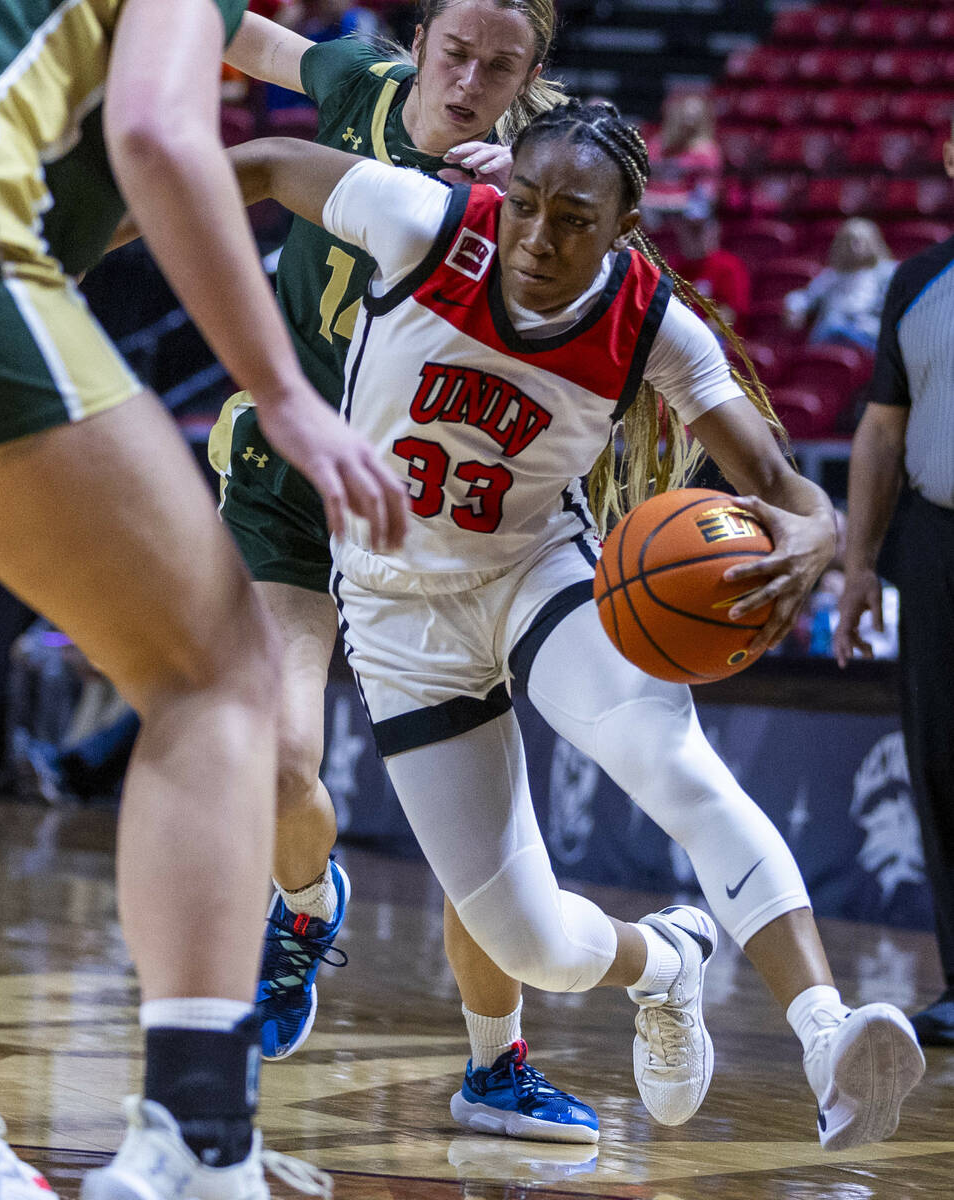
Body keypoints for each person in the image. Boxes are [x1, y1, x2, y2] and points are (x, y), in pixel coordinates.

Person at [238, 98, 926, 1149]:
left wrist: (816, 534)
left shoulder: (651, 322)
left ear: (620, 227)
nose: (537, 237)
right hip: (390, 615)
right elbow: (273, 160)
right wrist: (74, 231)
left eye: (571, 218)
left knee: (673, 765)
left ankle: (826, 1033)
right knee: (529, 946)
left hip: (533, 576)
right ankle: (665, 962)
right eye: (523, 205)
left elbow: (787, 488)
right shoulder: (422, 223)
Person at [0, 0, 407, 1196]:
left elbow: (269, 70)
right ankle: (201, 1139)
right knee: (218, 671)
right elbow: (157, 128)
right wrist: (282, 391)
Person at [212, 0, 607, 1144]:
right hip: (294, 476)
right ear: (419, 41)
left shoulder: (553, 175)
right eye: (453, 52)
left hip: (436, 509)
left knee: (478, 834)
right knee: (280, 755)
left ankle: (496, 1065)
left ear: (535, 71)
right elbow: (234, 37)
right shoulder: (357, 84)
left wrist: (523, 221)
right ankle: (300, 911)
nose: (469, 79)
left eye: (501, 64)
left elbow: (611, 333)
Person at [835, 119, 954, 1050]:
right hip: (937, 542)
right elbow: (881, 430)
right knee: (944, 765)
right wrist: (862, 562)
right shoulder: (917, 282)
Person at [783, 218, 897, 354]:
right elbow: (805, 296)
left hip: (868, 333)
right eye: (847, 241)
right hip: (832, 332)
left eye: (858, 241)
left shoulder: (886, 272)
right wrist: (794, 307)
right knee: (832, 324)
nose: (852, 247)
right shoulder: (832, 275)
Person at [641, 89, 722, 233]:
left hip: (689, 204)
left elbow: (708, 194)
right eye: (685, 115)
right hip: (657, 199)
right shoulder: (658, 144)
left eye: (695, 117)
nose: (689, 120)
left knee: (697, 211)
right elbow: (646, 178)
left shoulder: (708, 151)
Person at [669, 194, 750, 336]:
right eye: (691, 229)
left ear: (714, 229)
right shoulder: (672, 267)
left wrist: (695, 336)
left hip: (717, 345)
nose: (696, 236)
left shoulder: (729, 266)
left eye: (700, 229)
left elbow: (730, 313)